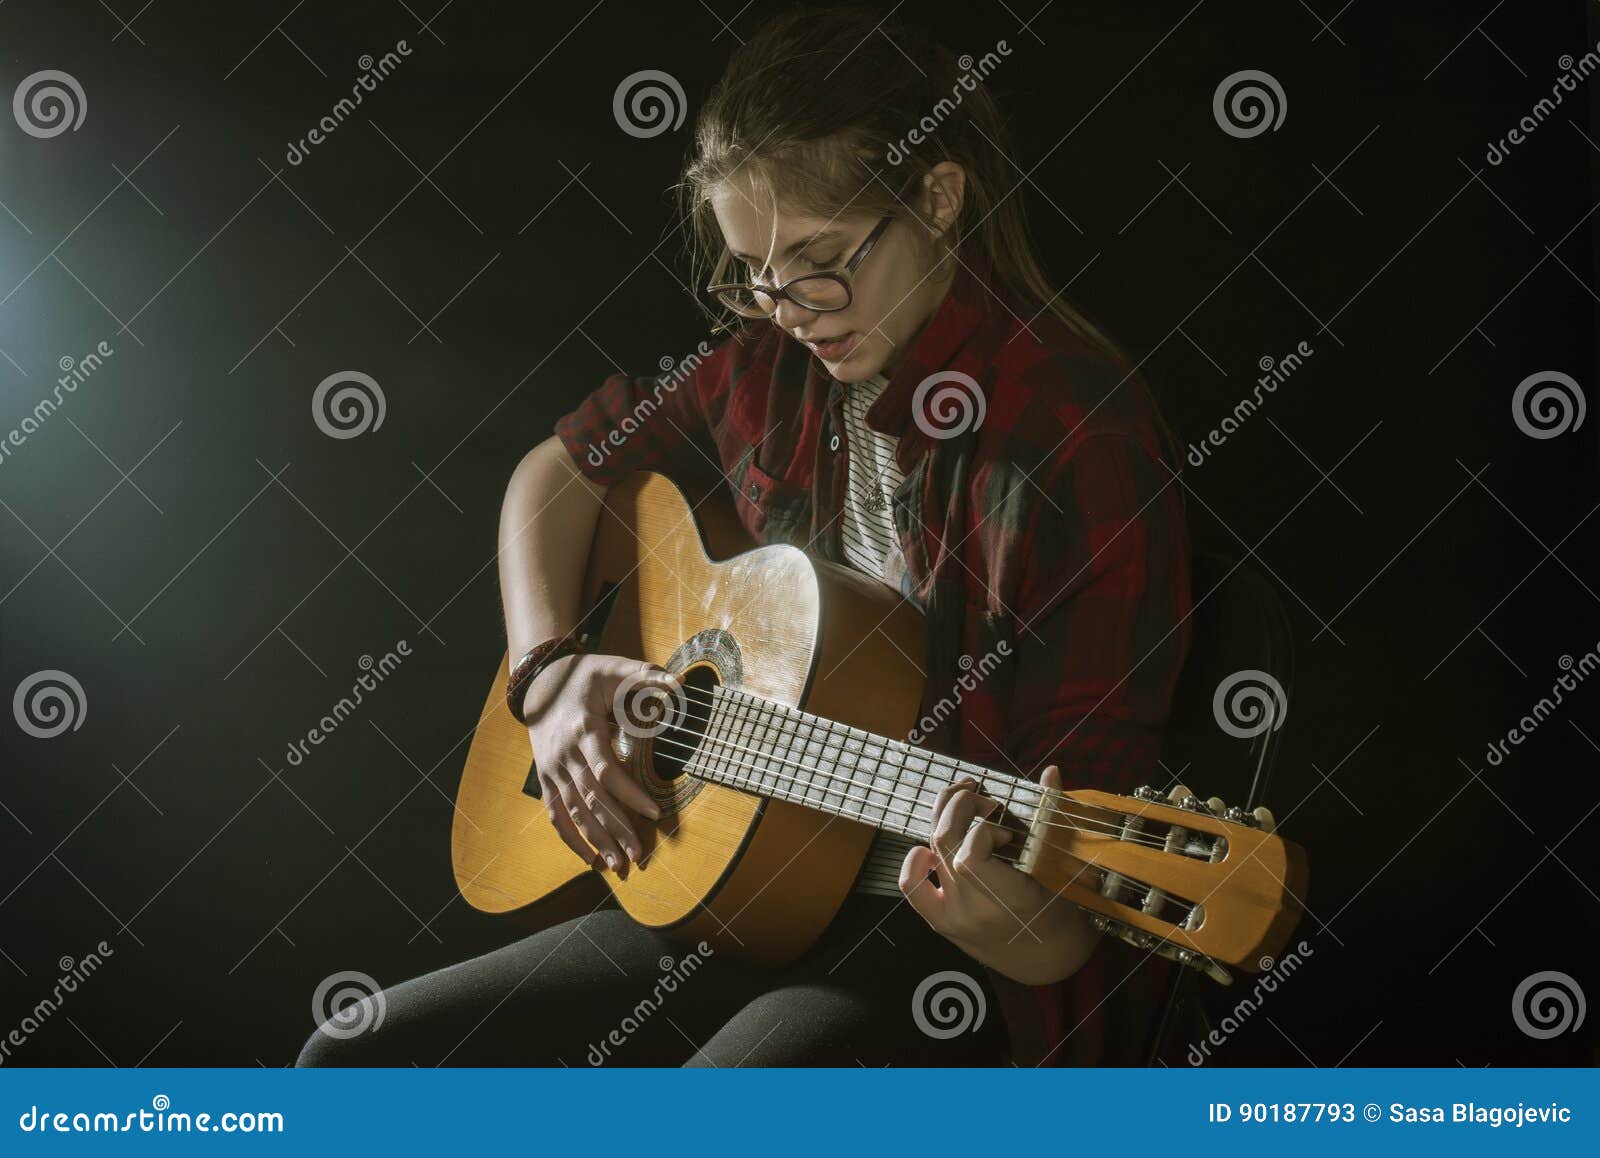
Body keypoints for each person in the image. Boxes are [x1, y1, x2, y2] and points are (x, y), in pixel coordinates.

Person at [298, 6, 1190, 1068]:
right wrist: (548, 675)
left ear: (938, 198)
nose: (792, 308)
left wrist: (1014, 917)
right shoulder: (769, 367)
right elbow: (557, 472)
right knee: (358, 1059)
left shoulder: (1076, 432)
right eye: (755, 274)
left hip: (937, 954)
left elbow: (1069, 912)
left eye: (820, 258)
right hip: (735, 882)